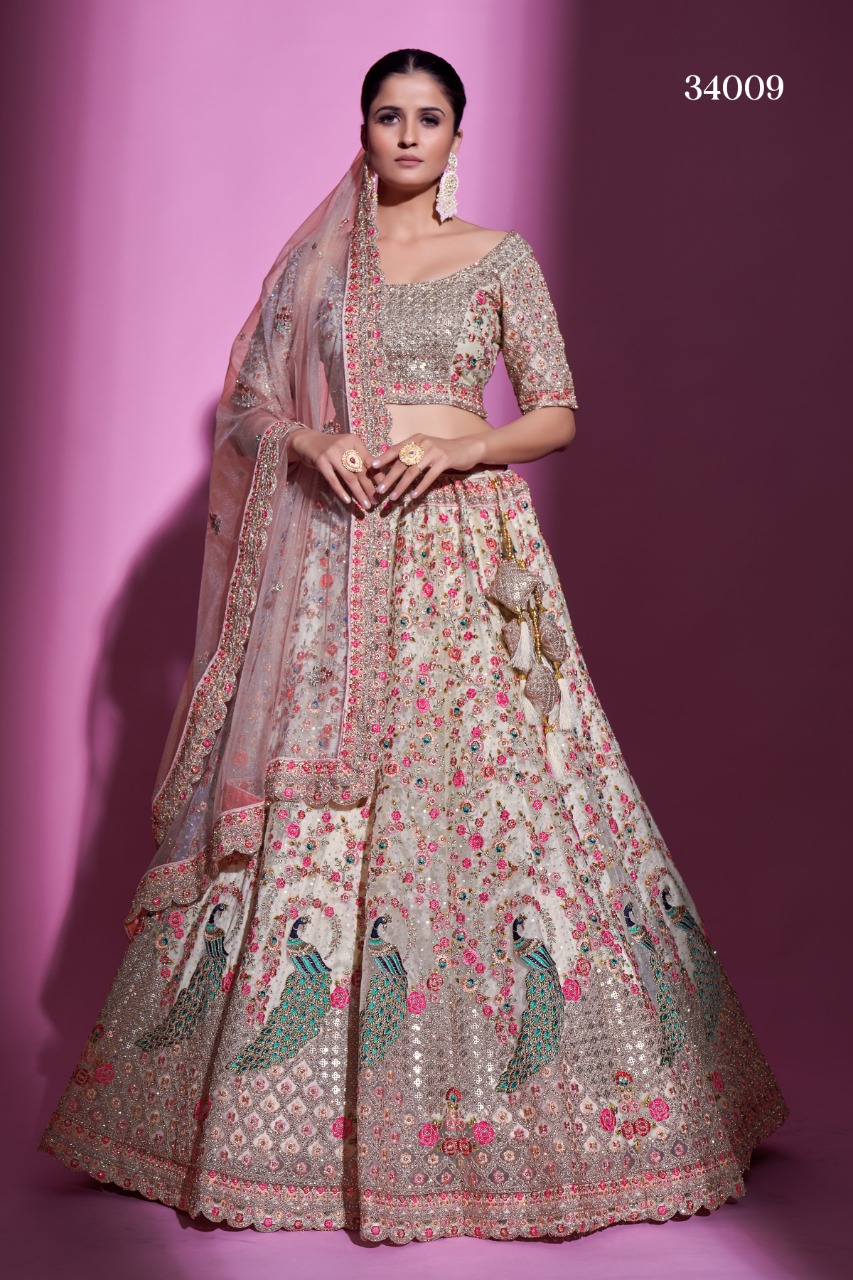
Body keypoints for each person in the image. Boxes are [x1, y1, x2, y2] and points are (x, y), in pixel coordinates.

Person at [38, 48, 788, 1245]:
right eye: (386, 115)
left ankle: (540, 1107)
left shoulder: (499, 257)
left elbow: (556, 410)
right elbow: (247, 408)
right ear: (364, 130)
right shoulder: (320, 273)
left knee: (508, 797)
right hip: (338, 564)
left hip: (469, 554)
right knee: (331, 812)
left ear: (455, 137)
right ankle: (274, 1120)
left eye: (427, 117)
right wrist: (311, 444)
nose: (404, 134)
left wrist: (463, 447)